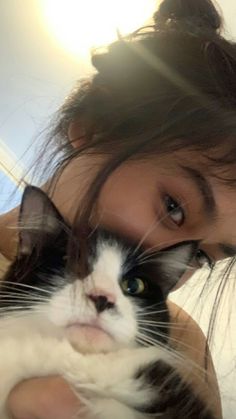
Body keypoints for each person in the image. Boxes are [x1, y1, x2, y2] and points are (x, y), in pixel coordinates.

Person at [1, 0, 236, 417]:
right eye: (174, 208)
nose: (176, 264)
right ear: (92, 129)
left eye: (202, 255)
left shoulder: (182, 340)